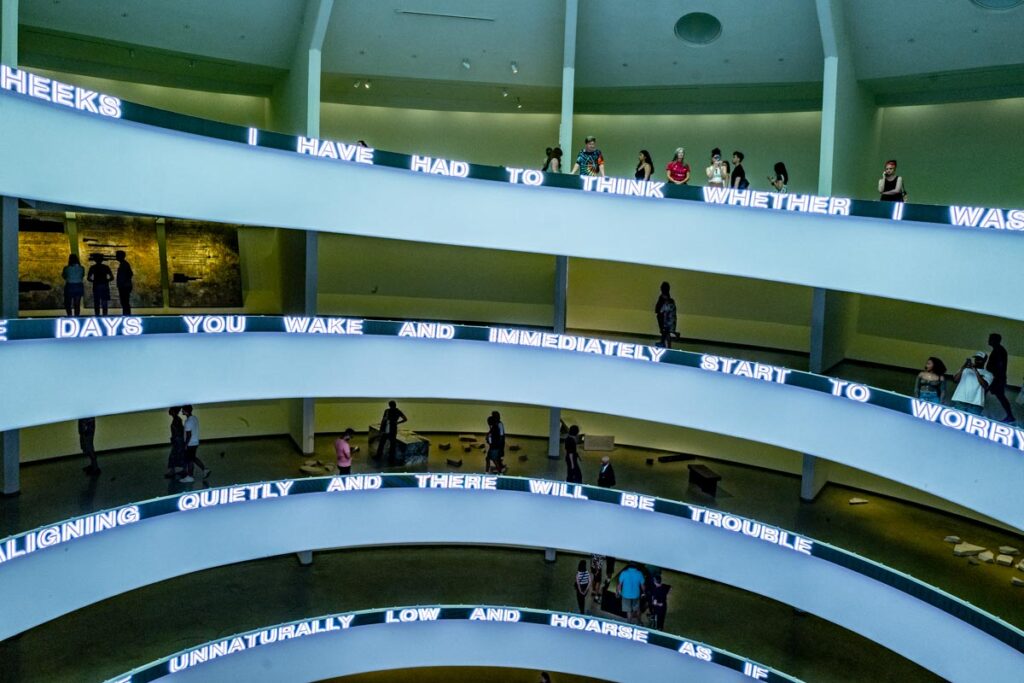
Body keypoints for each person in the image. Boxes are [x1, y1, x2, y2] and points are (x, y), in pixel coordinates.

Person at [987, 333, 1016, 423]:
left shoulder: (999, 351)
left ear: (994, 341)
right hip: (997, 378)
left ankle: (1010, 416)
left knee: (1000, 397)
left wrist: (996, 378)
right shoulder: (998, 350)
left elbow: (999, 366)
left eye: (990, 339)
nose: (988, 340)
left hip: (997, 379)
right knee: (1000, 396)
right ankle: (1010, 416)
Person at [180, 404, 209, 482]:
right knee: (193, 458)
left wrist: (185, 445)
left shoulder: (188, 422)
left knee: (190, 460)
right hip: (195, 442)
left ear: (186, 412)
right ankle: (205, 469)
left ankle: (190, 476)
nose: (181, 411)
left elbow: (189, 435)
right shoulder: (194, 418)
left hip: (190, 444)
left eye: (182, 410)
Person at [375, 400, 407, 465]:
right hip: (392, 429)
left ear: (389, 405)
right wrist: (397, 423)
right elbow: (405, 419)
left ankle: (379, 456)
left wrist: (381, 429)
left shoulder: (387, 411)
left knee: (383, 443)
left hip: (387, 429)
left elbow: (383, 420)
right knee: (392, 445)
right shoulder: (397, 411)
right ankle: (391, 459)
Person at [655, 281, 678, 349]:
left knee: (665, 332)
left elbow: (662, 309)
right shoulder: (667, 298)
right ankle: (667, 345)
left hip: (665, 318)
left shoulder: (665, 298)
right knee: (666, 332)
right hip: (666, 318)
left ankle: (664, 344)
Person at [165, 406, 186, 479]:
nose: (169, 412)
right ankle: (178, 470)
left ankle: (174, 471)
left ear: (174, 412)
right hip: (177, 440)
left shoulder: (177, 420)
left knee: (174, 455)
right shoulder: (176, 419)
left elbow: (179, 431)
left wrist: (175, 438)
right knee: (176, 455)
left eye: (170, 410)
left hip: (178, 440)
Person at [114, 250, 134, 315]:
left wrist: (123, 282)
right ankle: (126, 314)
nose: (116, 257)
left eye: (117, 255)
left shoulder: (124, 264)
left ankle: (126, 315)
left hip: (124, 286)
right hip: (124, 285)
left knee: (124, 302)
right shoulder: (124, 264)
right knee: (124, 302)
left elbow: (130, 274)